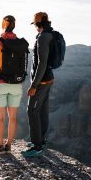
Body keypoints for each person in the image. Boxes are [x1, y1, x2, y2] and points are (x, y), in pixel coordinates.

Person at [0, 15, 28, 154]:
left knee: (0, 118)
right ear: (14, 26)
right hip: (16, 84)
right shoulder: (21, 43)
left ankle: (0, 146)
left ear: (3, 25)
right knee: (13, 117)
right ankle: (9, 145)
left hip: (0, 83)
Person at [22, 12, 54, 157]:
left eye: (35, 24)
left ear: (38, 24)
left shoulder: (42, 37)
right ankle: (41, 140)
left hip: (41, 80)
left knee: (31, 110)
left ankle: (37, 145)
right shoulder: (50, 34)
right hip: (49, 78)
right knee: (42, 109)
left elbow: (42, 63)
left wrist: (34, 85)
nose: (34, 27)